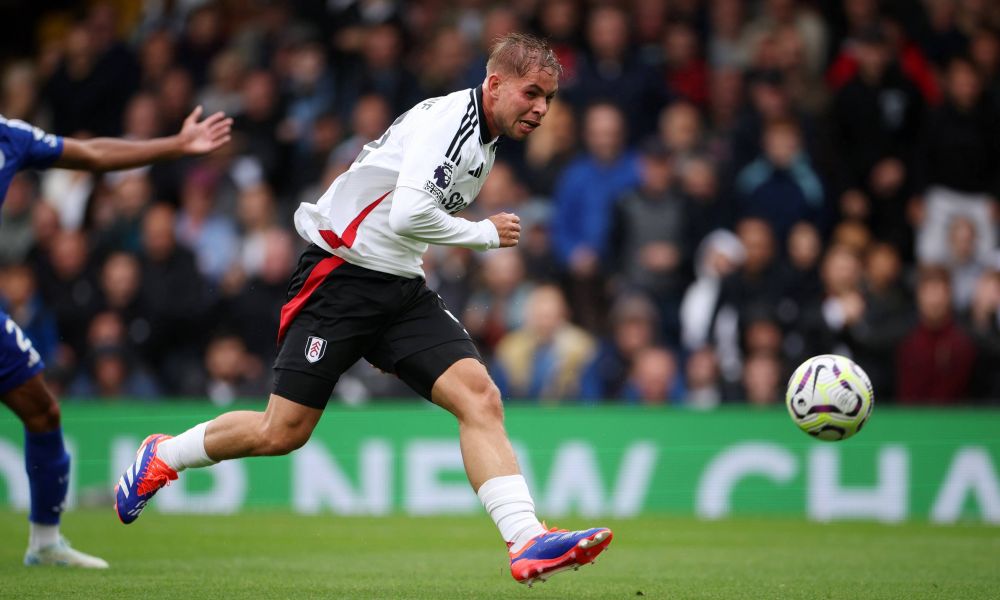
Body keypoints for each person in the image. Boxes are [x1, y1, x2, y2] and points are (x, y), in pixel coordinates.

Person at [114, 33, 612, 587]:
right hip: (340, 275)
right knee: (282, 431)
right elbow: (406, 215)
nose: (542, 108)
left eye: (549, 98)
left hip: (398, 283)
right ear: (494, 84)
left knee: (480, 397)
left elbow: (404, 224)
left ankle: (526, 540)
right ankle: (164, 454)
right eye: (532, 94)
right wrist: (483, 235)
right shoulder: (454, 123)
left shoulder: (484, 136)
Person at [0, 106, 232, 568]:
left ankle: (45, 543)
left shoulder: (9, 136)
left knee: (42, 410)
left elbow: (92, 154)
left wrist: (175, 144)